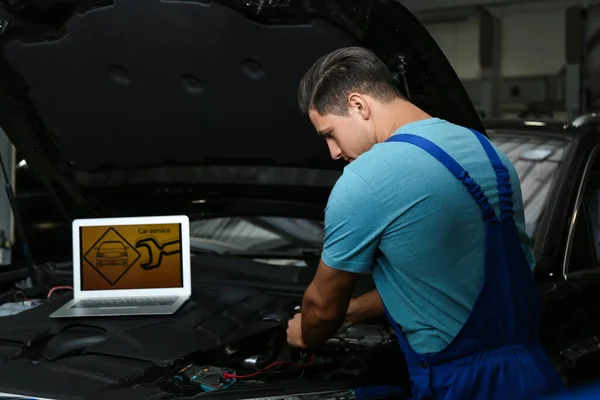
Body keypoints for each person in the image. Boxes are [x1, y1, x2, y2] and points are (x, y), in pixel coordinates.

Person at [285, 46, 566, 399]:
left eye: (329, 133)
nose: (334, 152)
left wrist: (304, 334)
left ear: (359, 105)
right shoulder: (484, 149)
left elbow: (323, 308)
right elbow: (448, 279)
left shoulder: (366, 178)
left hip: (462, 385)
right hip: (532, 370)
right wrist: (355, 311)